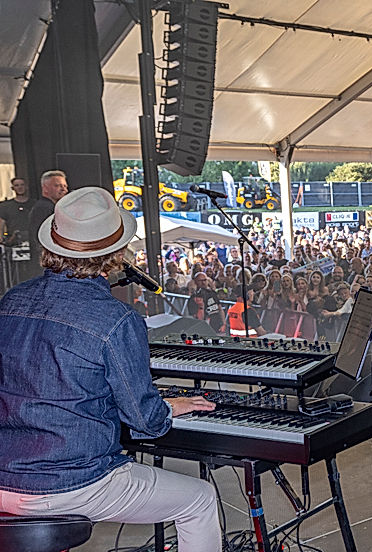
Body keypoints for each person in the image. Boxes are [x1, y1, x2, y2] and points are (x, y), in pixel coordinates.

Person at [0, 187, 220, 551]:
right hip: (68, 483)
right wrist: (166, 406)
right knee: (199, 499)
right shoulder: (116, 321)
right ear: (114, 256)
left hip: (5, 475)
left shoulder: (11, 300)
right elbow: (147, 422)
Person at [0, 176, 40, 281]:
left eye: (22, 185)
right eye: (17, 185)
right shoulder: (5, 206)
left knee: (33, 269)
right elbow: (1, 224)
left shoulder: (35, 204)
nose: (20, 187)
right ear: (13, 188)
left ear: (26, 187)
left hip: (33, 242)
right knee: (17, 272)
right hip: (14, 243)